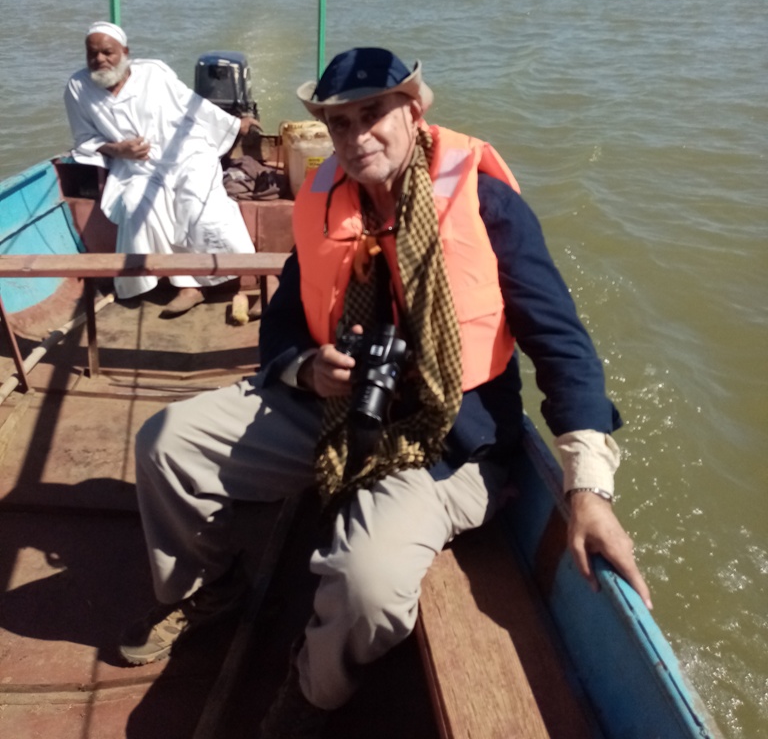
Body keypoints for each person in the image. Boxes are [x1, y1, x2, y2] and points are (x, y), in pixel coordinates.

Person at [120, 47, 651, 737]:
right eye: (339, 124)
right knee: (167, 444)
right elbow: (286, 313)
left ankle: (313, 695)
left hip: (447, 441)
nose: (356, 137)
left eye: (373, 115)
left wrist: (587, 488)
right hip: (333, 407)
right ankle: (209, 591)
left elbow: (562, 343)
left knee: (366, 588)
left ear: (415, 108)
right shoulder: (324, 197)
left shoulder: (486, 203)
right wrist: (303, 367)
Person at [64, 21, 260, 315]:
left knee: (201, 209)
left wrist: (235, 125)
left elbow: (194, 105)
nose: (100, 60)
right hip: (137, 167)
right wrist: (118, 150)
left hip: (186, 153)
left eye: (108, 52)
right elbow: (84, 139)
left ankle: (259, 278)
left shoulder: (153, 73)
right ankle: (188, 287)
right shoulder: (78, 88)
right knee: (138, 207)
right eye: (93, 54)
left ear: (125, 52)